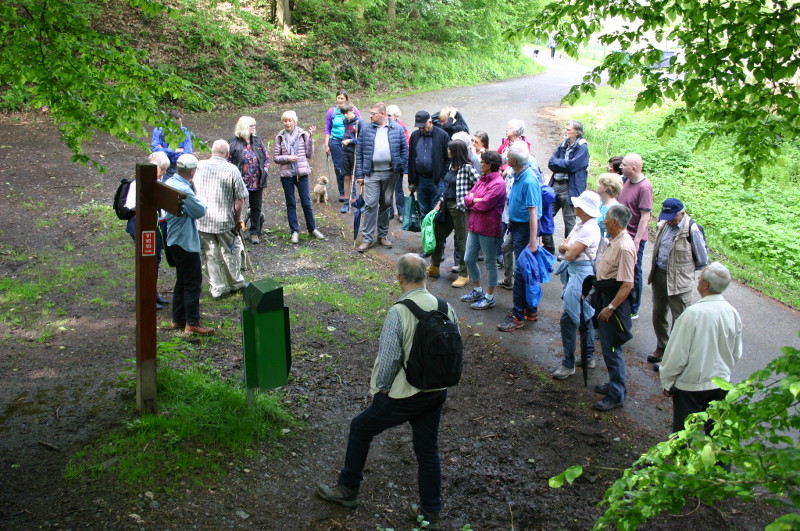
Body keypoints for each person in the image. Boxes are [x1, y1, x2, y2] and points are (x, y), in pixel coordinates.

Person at [316, 254, 457, 528]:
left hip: (405, 394)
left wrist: (381, 390)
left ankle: (347, 489)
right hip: (436, 391)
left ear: (400, 278)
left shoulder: (399, 311)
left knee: (360, 428)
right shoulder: (445, 307)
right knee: (427, 449)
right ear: (426, 277)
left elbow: (390, 358)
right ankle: (430, 510)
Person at [659, 262, 742, 434]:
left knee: (683, 435)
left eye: (700, 278)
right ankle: (721, 461)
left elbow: (677, 354)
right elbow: (736, 352)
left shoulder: (693, 314)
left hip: (691, 386)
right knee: (717, 434)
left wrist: (667, 381)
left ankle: (681, 461)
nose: (698, 280)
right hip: (720, 383)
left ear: (705, 285)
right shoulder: (732, 312)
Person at [646, 198, 709, 364]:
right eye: (666, 216)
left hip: (680, 281)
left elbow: (702, 259)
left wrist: (683, 272)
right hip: (659, 275)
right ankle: (662, 346)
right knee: (658, 313)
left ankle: (673, 357)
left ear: (682, 213)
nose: (669, 220)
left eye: (672, 217)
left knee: (680, 320)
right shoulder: (664, 224)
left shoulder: (693, 230)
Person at [552, 191, 602, 379]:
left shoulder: (589, 228)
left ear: (585, 208)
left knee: (570, 318)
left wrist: (567, 248)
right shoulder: (581, 225)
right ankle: (588, 356)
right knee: (584, 316)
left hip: (581, 276)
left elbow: (570, 253)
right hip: (577, 273)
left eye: (578, 205)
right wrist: (567, 248)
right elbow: (563, 247)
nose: (575, 207)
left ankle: (569, 363)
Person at [592, 205, 636, 410]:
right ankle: (614, 385)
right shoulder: (614, 240)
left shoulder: (625, 247)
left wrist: (610, 307)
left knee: (612, 349)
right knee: (609, 348)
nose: (603, 221)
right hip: (605, 296)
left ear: (616, 223)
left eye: (606, 218)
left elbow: (627, 284)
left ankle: (617, 395)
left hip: (614, 304)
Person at [194, 139, 249, 300]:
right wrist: (238, 219)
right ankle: (236, 283)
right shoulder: (231, 169)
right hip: (225, 221)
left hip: (203, 220)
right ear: (227, 153)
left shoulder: (199, 166)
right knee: (231, 251)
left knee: (209, 254)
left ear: (212, 151)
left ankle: (216, 288)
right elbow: (240, 200)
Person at [164, 154, 213, 336]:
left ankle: (178, 319)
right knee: (193, 282)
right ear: (192, 171)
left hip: (172, 238)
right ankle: (192, 322)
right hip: (185, 240)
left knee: (182, 281)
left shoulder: (169, 183)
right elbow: (199, 210)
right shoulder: (183, 190)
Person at [497, 143, 543, 332]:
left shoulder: (529, 180)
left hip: (524, 230)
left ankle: (517, 316)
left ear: (514, 160)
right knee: (523, 271)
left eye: (508, 156)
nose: (505, 157)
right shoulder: (517, 174)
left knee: (521, 272)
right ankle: (529, 310)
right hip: (517, 227)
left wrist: (533, 242)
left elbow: (533, 213)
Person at [355, 102, 409, 252]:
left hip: (390, 174)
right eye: (370, 113)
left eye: (373, 113)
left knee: (385, 204)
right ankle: (367, 238)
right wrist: (359, 174)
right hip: (371, 174)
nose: (370, 116)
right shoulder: (365, 129)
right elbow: (359, 153)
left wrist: (399, 169)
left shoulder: (396, 129)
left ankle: (382, 235)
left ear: (382, 114)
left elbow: (404, 150)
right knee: (371, 204)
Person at [459, 151, 507, 310]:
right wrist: (474, 199)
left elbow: (484, 205)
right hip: (475, 226)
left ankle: (489, 297)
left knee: (490, 262)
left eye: (483, 162)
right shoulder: (481, 179)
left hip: (488, 229)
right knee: (468, 259)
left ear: (490, 164)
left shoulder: (498, 183)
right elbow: (467, 199)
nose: (480, 164)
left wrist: (474, 200)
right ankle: (478, 290)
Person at [427, 140, 479, 287]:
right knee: (438, 235)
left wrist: (469, 200)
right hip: (446, 207)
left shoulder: (467, 168)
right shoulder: (451, 165)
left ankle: (464, 274)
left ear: (456, 151)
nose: (447, 151)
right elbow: (447, 187)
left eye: (450, 149)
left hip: (460, 209)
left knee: (463, 241)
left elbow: (480, 185)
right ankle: (434, 267)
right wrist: (440, 201)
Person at [124, 151, 171, 310]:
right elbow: (131, 205)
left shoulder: (158, 184)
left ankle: (153, 292)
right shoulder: (136, 184)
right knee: (148, 260)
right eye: (162, 170)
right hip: (142, 226)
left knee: (155, 260)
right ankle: (147, 295)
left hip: (155, 226)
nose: (164, 173)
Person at [274, 111, 326, 244]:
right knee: (291, 203)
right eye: (285, 121)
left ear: (295, 121)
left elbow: (309, 154)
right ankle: (294, 231)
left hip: (301, 174)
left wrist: (311, 139)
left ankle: (312, 228)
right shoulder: (280, 137)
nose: (287, 123)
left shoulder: (303, 134)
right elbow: (276, 158)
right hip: (287, 175)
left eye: (289, 120)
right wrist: (287, 158)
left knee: (306, 202)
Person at [543, 120, 590, 253]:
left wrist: (562, 164)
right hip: (555, 186)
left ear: (577, 132)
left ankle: (567, 252)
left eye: (568, 129)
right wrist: (566, 164)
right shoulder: (563, 145)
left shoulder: (582, 148)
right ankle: (548, 248)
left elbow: (573, 166)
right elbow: (551, 163)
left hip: (570, 188)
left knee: (569, 222)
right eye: (565, 128)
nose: (565, 131)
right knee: (545, 216)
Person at [617, 153, 654, 319]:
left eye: (624, 165)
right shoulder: (626, 181)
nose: (620, 167)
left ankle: (634, 307)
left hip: (633, 236)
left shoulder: (644, 187)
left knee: (634, 271)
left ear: (633, 168)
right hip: (621, 233)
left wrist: (637, 240)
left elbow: (645, 216)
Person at [228, 116, 270, 244]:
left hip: (257, 180)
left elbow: (266, 157)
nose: (254, 128)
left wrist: (265, 169)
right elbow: (228, 161)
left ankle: (254, 232)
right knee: (236, 206)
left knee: (256, 206)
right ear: (245, 127)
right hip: (239, 181)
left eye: (254, 125)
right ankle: (235, 230)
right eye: (252, 125)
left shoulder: (257, 141)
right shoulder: (233, 143)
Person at [408, 110, 451, 218]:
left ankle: (436, 235)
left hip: (436, 181)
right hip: (421, 180)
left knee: (436, 211)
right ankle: (426, 234)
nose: (421, 129)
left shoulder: (442, 135)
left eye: (423, 126)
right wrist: (412, 181)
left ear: (430, 122)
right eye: (419, 127)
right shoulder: (415, 136)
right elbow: (412, 159)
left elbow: (448, 158)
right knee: (423, 211)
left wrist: (442, 176)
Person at [325, 90, 360, 202]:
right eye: (338, 98)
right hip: (335, 142)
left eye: (342, 98)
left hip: (349, 142)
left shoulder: (352, 110)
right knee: (339, 168)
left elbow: (358, 124)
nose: (339, 100)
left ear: (346, 100)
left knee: (351, 167)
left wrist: (353, 140)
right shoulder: (331, 111)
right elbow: (328, 128)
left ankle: (353, 194)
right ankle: (343, 193)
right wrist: (326, 144)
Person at [339, 102, 366, 214]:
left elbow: (363, 139)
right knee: (346, 177)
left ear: (352, 111)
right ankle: (346, 201)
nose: (345, 115)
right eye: (343, 113)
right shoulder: (345, 121)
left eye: (347, 113)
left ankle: (361, 202)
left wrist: (350, 141)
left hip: (356, 153)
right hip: (346, 152)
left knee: (359, 178)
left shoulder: (360, 123)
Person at [151, 110, 193, 179]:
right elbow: (156, 150)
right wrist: (174, 150)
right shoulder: (158, 130)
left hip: (177, 166)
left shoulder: (185, 132)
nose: (178, 128)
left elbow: (188, 152)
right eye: (176, 125)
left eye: (180, 124)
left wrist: (168, 155)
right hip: (162, 167)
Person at [387, 104, 410, 221]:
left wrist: (401, 163)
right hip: (387, 163)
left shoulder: (402, 127)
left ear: (396, 115)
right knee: (387, 189)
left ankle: (401, 213)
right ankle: (389, 212)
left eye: (389, 115)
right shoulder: (385, 125)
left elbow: (406, 146)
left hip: (398, 164)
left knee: (398, 189)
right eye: (386, 115)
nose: (387, 117)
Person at [596, 172, 624, 238]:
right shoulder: (601, 203)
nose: (597, 185)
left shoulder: (614, 209)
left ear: (605, 188)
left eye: (599, 183)